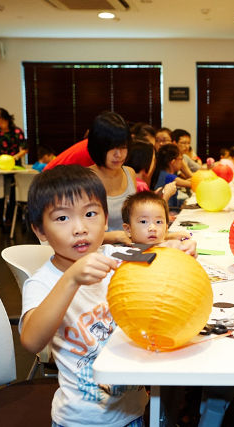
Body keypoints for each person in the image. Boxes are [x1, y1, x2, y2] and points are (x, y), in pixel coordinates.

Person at [19, 165, 148, 427]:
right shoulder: (42, 283)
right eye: (62, 218)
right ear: (40, 231)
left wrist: (177, 246)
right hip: (82, 420)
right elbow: (32, 341)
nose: (80, 228)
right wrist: (71, 279)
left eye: (90, 213)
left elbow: (155, 259)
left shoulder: (114, 255)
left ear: (105, 217)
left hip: (134, 409)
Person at [87, 111, 137, 244]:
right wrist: (113, 237)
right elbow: (79, 233)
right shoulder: (85, 180)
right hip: (97, 254)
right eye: (111, 148)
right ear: (98, 147)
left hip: (130, 249)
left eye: (123, 147)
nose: (119, 154)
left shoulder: (129, 173)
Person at [121, 191, 195, 253]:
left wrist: (186, 248)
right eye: (143, 222)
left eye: (158, 222)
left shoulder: (170, 248)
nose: (153, 228)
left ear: (166, 229)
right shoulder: (123, 256)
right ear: (128, 229)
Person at [151, 143, 191, 210]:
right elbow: (190, 184)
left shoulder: (163, 173)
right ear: (173, 161)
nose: (182, 162)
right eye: (181, 159)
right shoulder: (168, 177)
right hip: (168, 211)